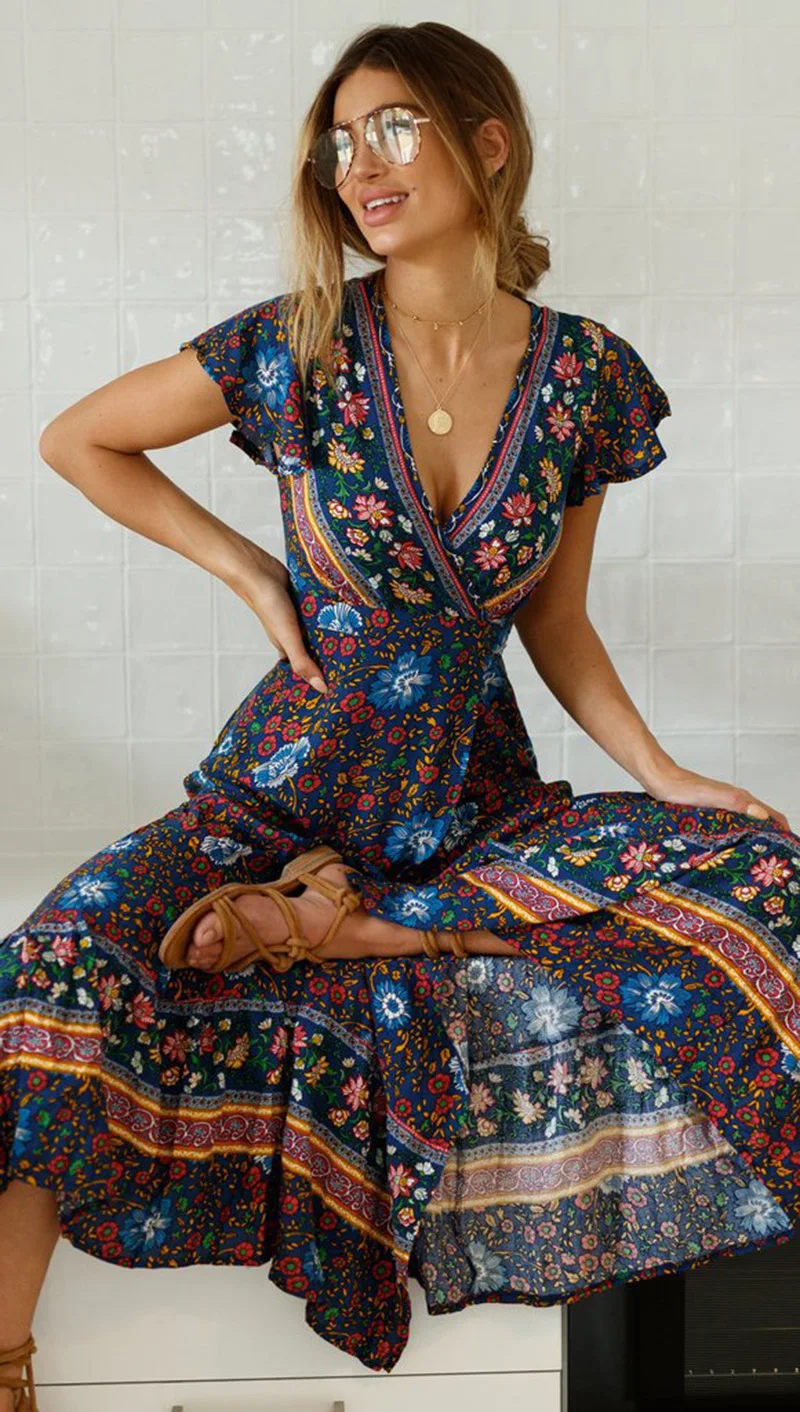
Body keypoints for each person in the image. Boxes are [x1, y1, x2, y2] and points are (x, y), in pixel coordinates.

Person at [1, 19, 798, 1407]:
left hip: (468, 802)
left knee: (765, 881)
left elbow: (556, 623)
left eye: (392, 128)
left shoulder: (585, 377)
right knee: (54, 966)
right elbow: (79, 437)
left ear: (487, 143)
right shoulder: (295, 345)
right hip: (278, 791)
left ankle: (363, 922)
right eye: (338, 143)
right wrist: (248, 570)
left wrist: (664, 771)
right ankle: (2, 1358)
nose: (357, 166)